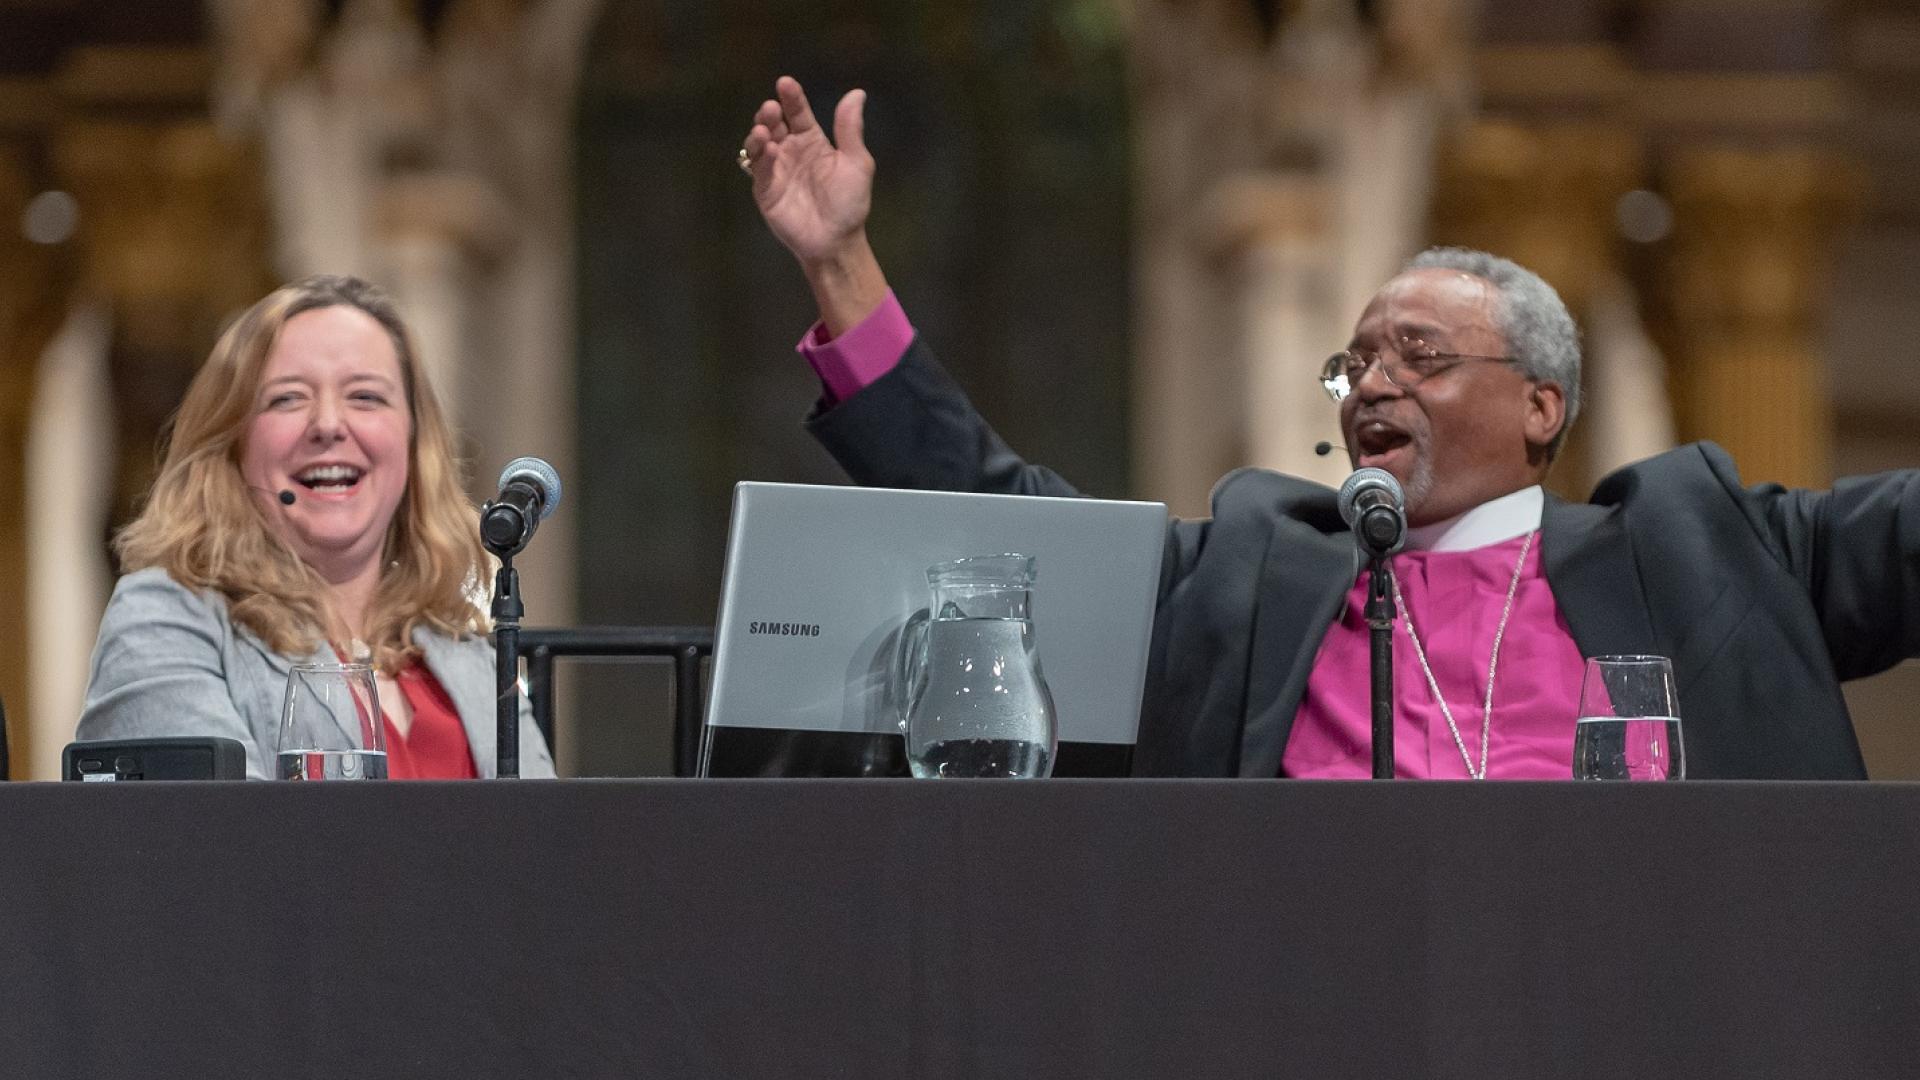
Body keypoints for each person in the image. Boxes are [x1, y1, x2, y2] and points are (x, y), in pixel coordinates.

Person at [739, 76, 1917, 780]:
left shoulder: (1697, 543)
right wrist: (840, 265)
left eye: (1420, 357)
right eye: (1353, 364)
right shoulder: (1255, 566)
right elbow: (998, 519)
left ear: (1542, 406)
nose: (1370, 387)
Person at [77, 275, 555, 779]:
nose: (328, 423)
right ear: (230, 443)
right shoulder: (163, 619)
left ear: (415, 446)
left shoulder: (461, 648)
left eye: (365, 397)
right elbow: (222, 845)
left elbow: (551, 842)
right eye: (287, 398)